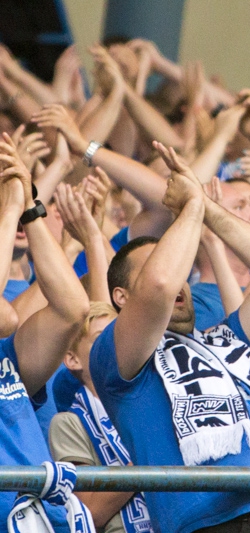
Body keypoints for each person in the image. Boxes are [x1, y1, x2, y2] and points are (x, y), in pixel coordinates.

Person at [89, 142, 250, 533]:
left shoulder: (232, 337)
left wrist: (207, 206)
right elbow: (159, 285)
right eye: (167, 260)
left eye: (186, 267)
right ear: (121, 297)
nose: (179, 277)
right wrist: (191, 210)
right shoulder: (117, 355)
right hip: (218, 525)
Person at [0, 133, 90, 530]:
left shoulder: (7, 361)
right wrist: (11, 207)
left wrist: (31, 212)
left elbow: (73, 309)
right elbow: (7, 317)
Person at [50, 302, 153, 533]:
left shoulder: (151, 403)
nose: (112, 342)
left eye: (117, 332)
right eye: (101, 336)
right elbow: (91, 512)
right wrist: (149, 456)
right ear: (72, 359)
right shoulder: (68, 423)